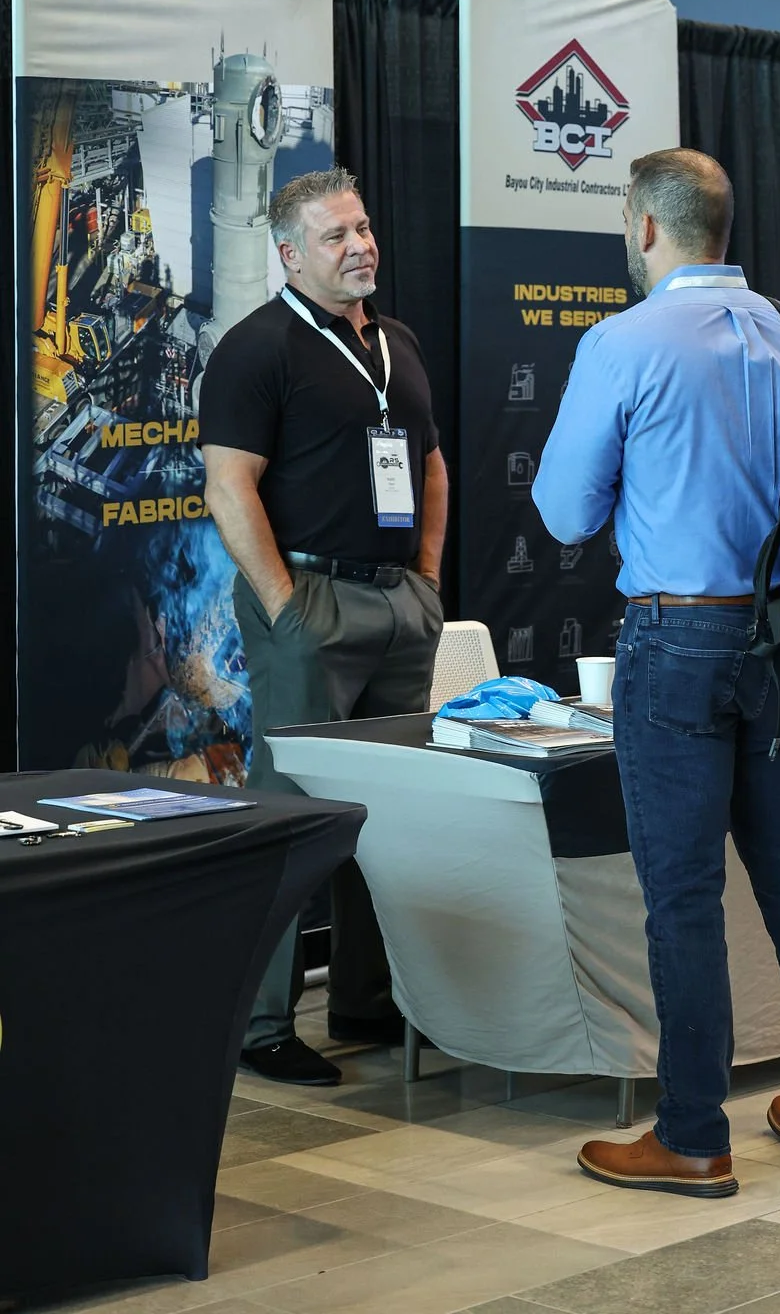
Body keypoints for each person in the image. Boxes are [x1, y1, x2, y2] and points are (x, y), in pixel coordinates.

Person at [532, 149, 780, 1196]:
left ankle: (690, 1134)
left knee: (681, 895)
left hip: (675, 645)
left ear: (644, 230)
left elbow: (562, 513)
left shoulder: (621, 343)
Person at [200, 167, 447, 1086]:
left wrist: (425, 581)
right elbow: (230, 486)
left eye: (364, 227)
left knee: (382, 814)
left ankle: (366, 999)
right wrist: (284, 608)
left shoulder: (399, 343)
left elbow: (430, 465)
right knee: (291, 813)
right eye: (337, 235)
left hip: (398, 604)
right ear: (291, 254)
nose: (360, 246)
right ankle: (262, 1024)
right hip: (310, 605)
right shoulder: (256, 347)